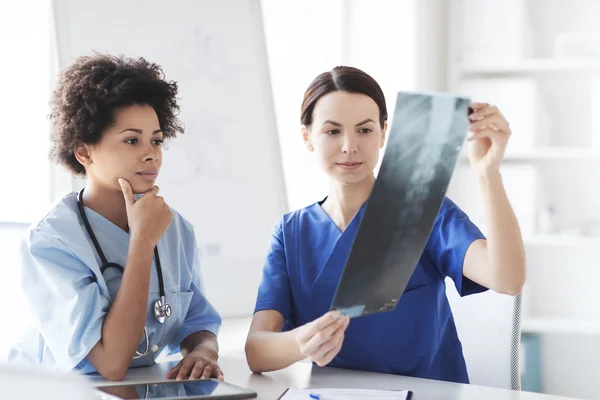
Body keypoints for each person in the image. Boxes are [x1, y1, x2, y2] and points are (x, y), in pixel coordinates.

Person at [245, 66, 526, 383]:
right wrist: (301, 343)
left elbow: (507, 279)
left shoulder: (422, 210)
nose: (349, 146)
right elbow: (256, 351)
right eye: (332, 131)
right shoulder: (291, 233)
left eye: (364, 130)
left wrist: (488, 174)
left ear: (383, 133)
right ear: (307, 136)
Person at [9, 53, 222, 382]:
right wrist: (141, 242)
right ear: (84, 152)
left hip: (142, 388)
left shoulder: (174, 226)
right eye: (132, 140)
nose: (151, 153)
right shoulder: (51, 240)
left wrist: (203, 352)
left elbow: (198, 323)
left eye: (156, 140)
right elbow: (110, 364)